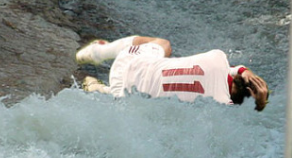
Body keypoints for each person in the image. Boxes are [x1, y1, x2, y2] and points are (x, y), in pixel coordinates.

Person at [76, 35, 270, 111]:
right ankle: (100, 90)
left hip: (127, 63)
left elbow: (243, 71)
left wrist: (251, 78)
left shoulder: (217, 58)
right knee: (151, 99)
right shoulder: (218, 104)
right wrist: (261, 103)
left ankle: (97, 52)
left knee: (164, 45)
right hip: (125, 99)